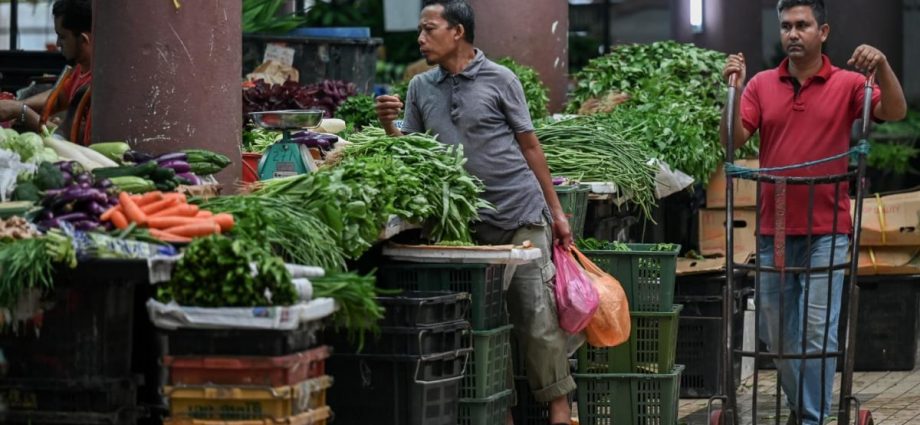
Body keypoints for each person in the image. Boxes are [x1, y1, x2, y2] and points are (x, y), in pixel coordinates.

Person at [374, 1, 576, 423]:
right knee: (481, 328)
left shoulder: (501, 79)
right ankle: (499, 410)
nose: (420, 38)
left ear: (458, 31)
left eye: (429, 29)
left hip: (518, 211)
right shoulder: (420, 87)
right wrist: (390, 126)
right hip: (462, 223)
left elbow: (530, 146)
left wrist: (556, 213)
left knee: (535, 315)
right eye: (420, 30)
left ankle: (560, 409)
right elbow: (411, 150)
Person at [720, 1, 907, 424]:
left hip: (829, 231)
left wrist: (884, 66)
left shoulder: (846, 84)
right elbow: (732, 138)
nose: (792, 33)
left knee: (817, 333)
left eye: (802, 25)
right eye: (785, 25)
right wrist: (730, 90)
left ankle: (811, 419)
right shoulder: (762, 85)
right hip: (777, 229)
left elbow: (893, 111)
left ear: (822, 31)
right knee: (775, 332)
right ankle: (806, 408)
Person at [0, 0, 93, 145]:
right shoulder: (80, 69)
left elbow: (70, 139)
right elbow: (58, 98)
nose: (57, 44)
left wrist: (21, 111)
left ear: (83, 39)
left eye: (62, 37)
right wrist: (16, 104)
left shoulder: (96, 86)